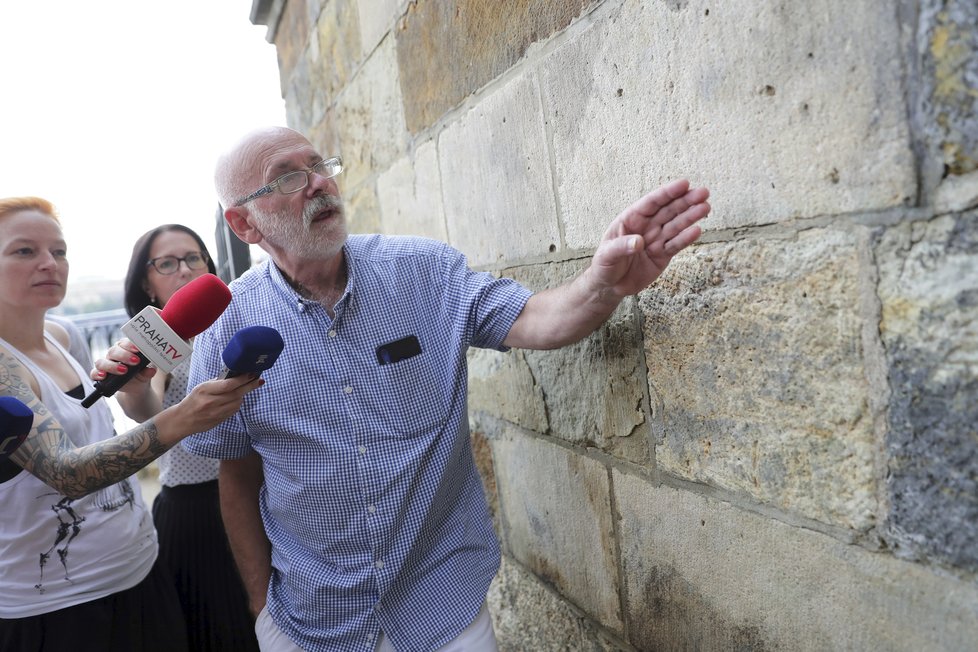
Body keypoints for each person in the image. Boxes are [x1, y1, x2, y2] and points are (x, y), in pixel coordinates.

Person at [183, 126, 710, 652]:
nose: (318, 184)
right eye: (289, 178)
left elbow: (536, 319)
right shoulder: (227, 327)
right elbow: (238, 475)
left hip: (443, 611)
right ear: (243, 223)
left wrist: (601, 285)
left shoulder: (422, 271)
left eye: (320, 166)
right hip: (315, 623)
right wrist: (261, 611)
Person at [0, 197, 261, 651]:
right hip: (59, 605)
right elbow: (67, 472)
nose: (49, 263)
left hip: (140, 566)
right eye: (24, 251)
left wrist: (135, 384)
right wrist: (183, 417)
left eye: (59, 252)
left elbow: (101, 432)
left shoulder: (65, 336)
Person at [95, 224, 259, 652]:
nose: (183, 270)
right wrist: (132, 389)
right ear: (146, 282)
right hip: (195, 507)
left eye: (193, 257)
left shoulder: (245, 317)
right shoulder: (153, 339)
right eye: (167, 263)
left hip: (263, 492)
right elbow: (147, 411)